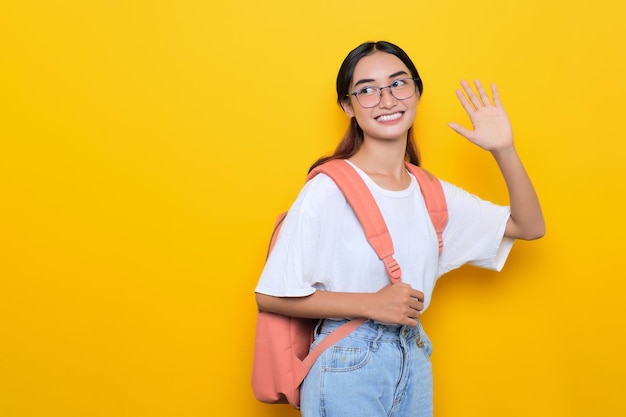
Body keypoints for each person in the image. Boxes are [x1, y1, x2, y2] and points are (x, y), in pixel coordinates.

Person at [254, 40, 545, 417]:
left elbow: (529, 226)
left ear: (417, 91)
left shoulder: (430, 192)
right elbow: (270, 295)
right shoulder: (327, 189)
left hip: (414, 356)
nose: (387, 100)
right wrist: (371, 304)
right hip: (347, 361)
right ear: (348, 106)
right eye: (367, 90)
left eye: (398, 83)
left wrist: (504, 149)